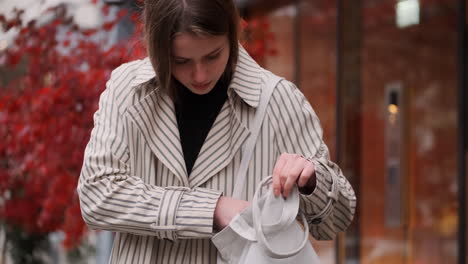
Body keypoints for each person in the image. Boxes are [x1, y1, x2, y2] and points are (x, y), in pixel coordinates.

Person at [77, 0, 356, 263]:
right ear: (158, 48)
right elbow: (96, 194)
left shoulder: (277, 100)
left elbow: (337, 220)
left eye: (213, 55)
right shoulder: (128, 90)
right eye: (181, 61)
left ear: (232, 34)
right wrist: (212, 209)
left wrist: (311, 181)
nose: (200, 75)